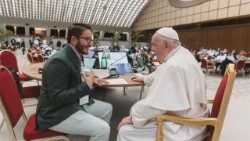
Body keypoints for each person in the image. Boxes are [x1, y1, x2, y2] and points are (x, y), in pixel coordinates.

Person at [117, 27, 209, 141]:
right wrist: (145, 79)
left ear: (167, 45)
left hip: (184, 127)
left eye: (154, 45)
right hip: (195, 119)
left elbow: (156, 107)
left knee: (125, 131)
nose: (152, 49)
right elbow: (162, 72)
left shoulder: (174, 64)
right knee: (138, 107)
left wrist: (132, 119)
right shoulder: (182, 54)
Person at [36, 23, 113, 141]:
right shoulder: (58, 61)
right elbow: (57, 98)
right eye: (87, 39)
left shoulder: (74, 54)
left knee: (108, 108)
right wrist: (86, 85)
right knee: (103, 129)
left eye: (91, 39)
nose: (91, 43)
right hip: (55, 113)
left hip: (71, 104)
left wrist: (93, 79)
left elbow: (72, 78)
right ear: (74, 39)